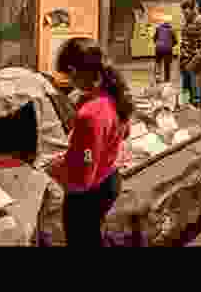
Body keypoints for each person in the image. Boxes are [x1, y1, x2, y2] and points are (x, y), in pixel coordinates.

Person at [48, 37, 134, 247]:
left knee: (82, 239)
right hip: (110, 179)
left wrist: (53, 168)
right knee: (94, 236)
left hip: (87, 196)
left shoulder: (90, 113)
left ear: (74, 71)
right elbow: (124, 133)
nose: (68, 82)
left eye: (67, 76)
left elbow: (83, 177)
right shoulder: (115, 95)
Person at [180, 0, 201, 109]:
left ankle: (198, 120)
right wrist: (182, 61)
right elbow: (183, 43)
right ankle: (184, 112)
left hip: (195, 66)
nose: (185, 15)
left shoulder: (200, 21)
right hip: (185, 64)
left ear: (193, 10)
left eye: (186, 13)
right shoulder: (186, 22)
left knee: (196, 95)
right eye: (183, 13)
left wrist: (192, 64)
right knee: (185, 93)